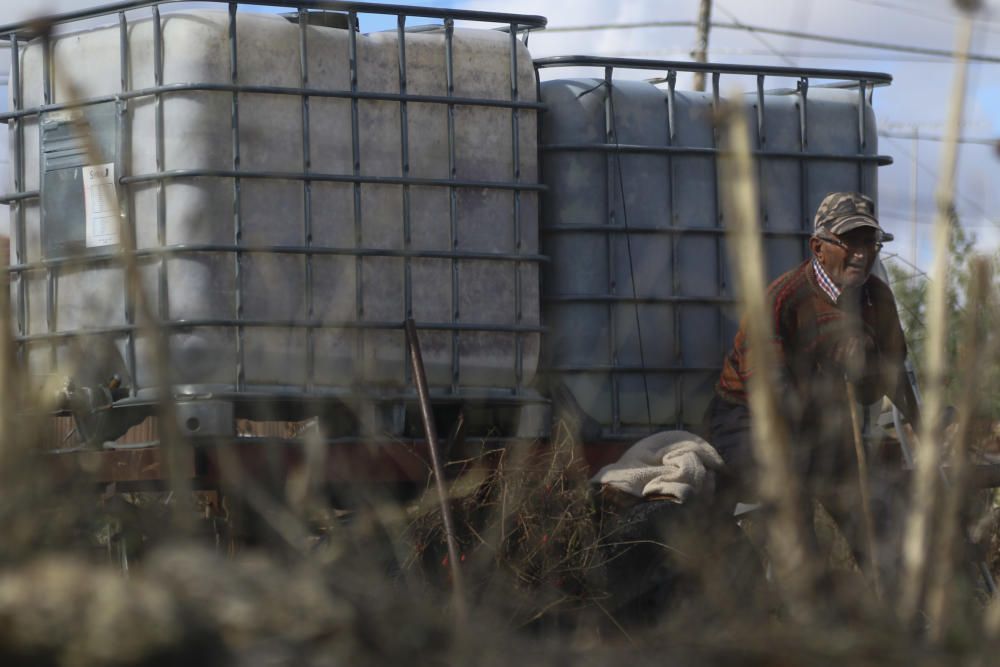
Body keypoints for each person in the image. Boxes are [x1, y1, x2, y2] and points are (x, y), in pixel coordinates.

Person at [705, 191, 919, 508]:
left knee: (870, 505)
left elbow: (892, 374)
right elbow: (772, 393)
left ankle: (879, 555)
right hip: (747, 418)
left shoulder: (877, 298)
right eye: (850, 242)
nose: (861, 254)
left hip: (819, 419)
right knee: (790, 489)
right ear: (818, 247)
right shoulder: (782, 301)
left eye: (869, 243)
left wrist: (924, 429)